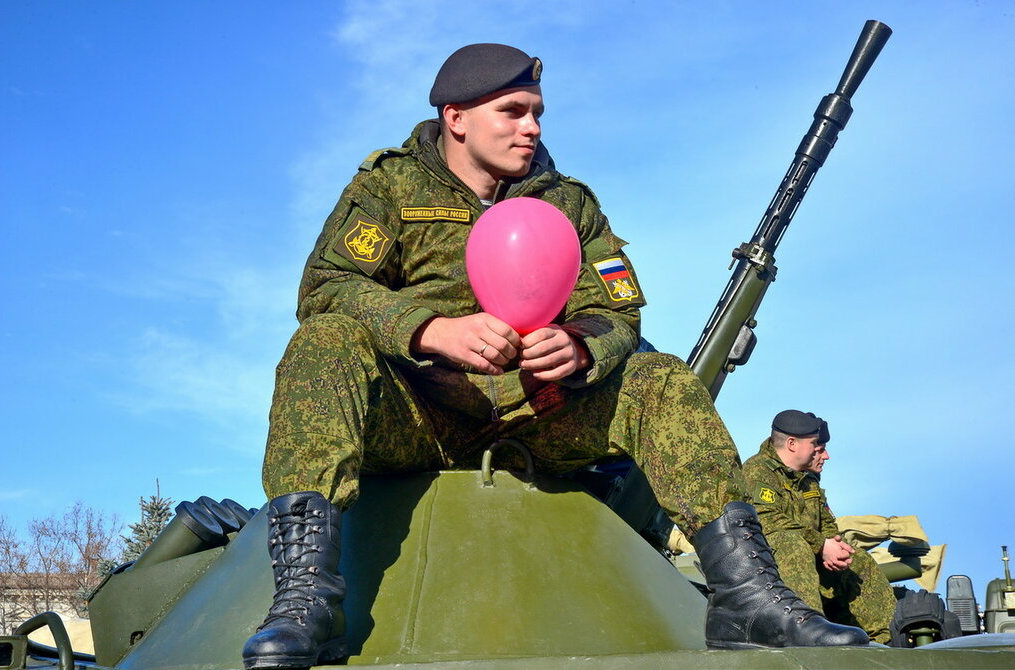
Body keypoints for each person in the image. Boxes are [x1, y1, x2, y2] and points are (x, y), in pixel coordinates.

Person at [241, 44, 869, 669]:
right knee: (322, 342)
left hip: (541, 414)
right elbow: (325, 288)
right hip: (419, 415)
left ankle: (747, 600)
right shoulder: (390, 186)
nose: (532, 127)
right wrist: (429, 329)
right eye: (512, 111)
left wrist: (580, 345)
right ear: (456, 117)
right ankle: (307, 602)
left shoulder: (568, 203)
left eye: (537, 112)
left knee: (661, 378)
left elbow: (619, 311)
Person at [742, 410, 896, 644]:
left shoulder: (808, 479)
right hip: (766, 566)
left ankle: (884, 639)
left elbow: (826, 524)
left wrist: (834, 547)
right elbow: (768, 520)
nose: (824, 455)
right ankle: (808, 633)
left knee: (857, 560)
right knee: (792, 545)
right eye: (816, 445)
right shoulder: (758, 472)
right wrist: (821, 545)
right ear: (792, 444)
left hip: (809, 558)